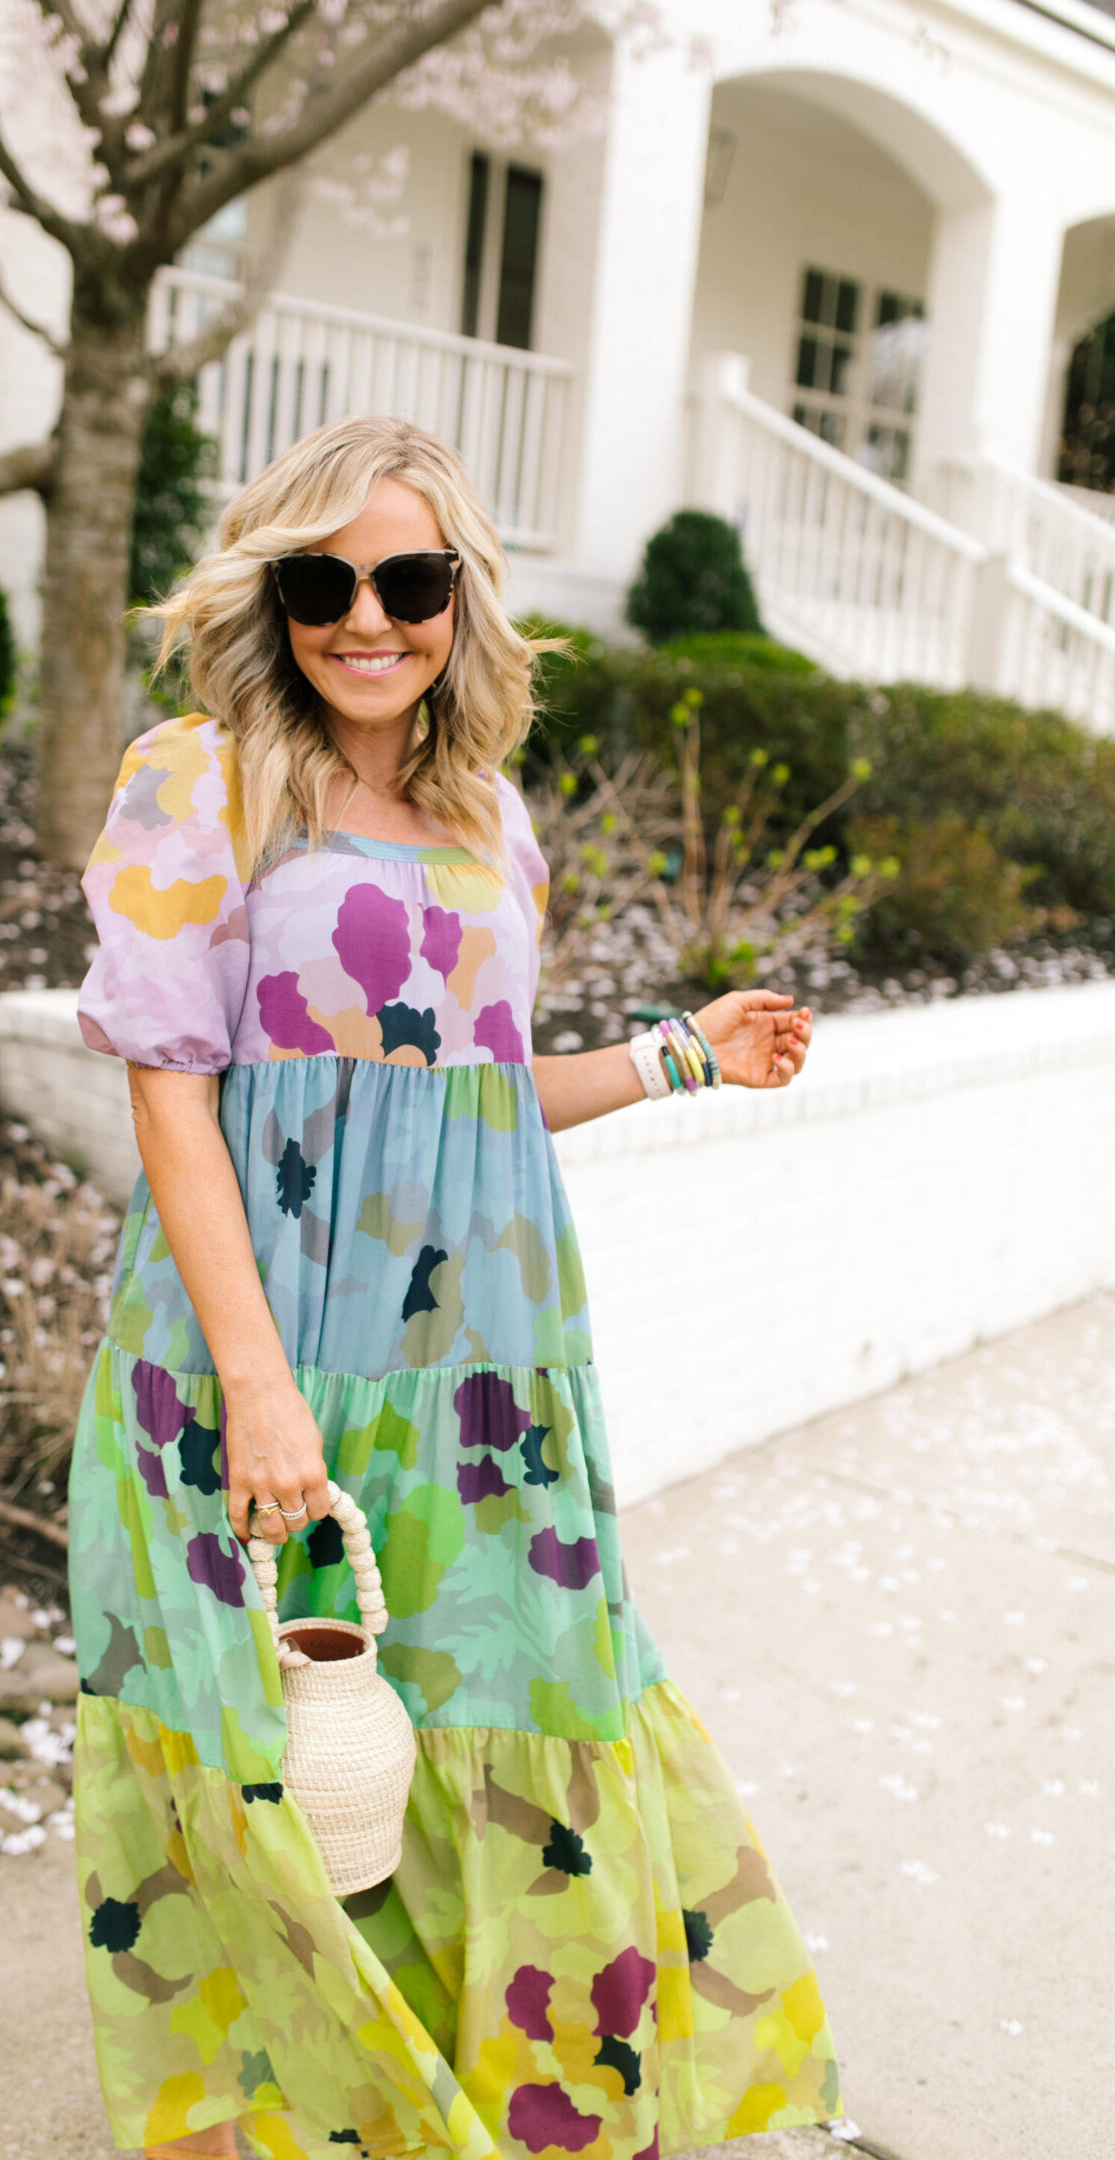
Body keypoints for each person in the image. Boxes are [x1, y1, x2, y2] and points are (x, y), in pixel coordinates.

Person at [67, 414, 841, 2160]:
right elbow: (173, 1093)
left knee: (511, 1705)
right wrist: (259, 1386)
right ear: (271, 593)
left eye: (407, 579)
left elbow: (471, 1091)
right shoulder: (201, 781)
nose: (366, 616)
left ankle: (503, 2116)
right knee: (280, 1752)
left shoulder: (490, 814)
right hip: (251, 1352)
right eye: (322, 579)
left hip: (485, 1366)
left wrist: (674, 1055)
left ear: (461, 598)